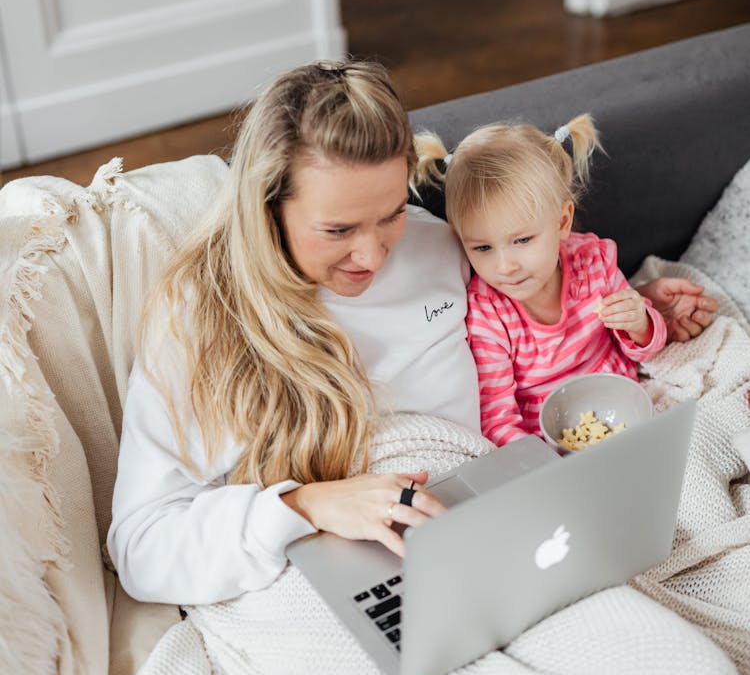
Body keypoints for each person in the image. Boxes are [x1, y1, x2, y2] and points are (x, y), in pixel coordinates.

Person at [108, 62, 715, 604]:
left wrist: (636, 301)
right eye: (337, 229)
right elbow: (140, 548)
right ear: (267, 208)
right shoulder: (200, 322)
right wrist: (304, 504)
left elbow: (536, 289)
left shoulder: (441, 246)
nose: (371, 254)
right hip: (338, 565)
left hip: (496, 521)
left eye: (391, 212)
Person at [415, 115, 669, 448]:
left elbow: (647, 347)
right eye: (482, 247)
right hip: (546, 442)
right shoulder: (488, 315)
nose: (505, 266)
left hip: (621, 409)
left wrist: (639, 322)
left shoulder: (593, 261)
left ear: (563, 222)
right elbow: (496, 419)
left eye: (522, 240)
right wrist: (542, 466)